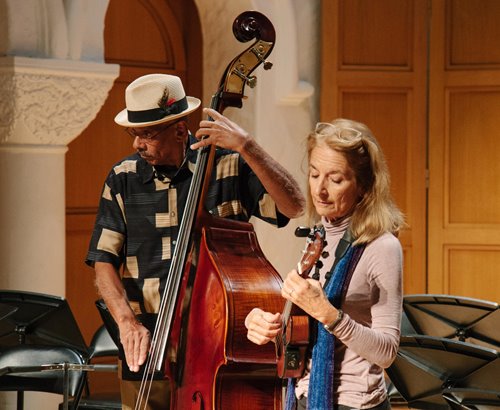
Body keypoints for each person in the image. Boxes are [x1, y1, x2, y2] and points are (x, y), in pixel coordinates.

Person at [85, 73, 305, 409]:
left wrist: (248, 146)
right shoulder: (122, 179)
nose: (136, 144)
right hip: (147, 349)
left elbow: (293, 206)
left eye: (146, 134)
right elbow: (103, 261)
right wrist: (127, 323)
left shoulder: (228, 166)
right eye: (133, 133)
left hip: (214, 345)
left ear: (178, 128)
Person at [245, 118, 405, 410]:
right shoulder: (320, 233)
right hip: (304, 396)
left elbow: (386, 352)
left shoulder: (382, 247)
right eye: (315, 174)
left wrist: (327, 313)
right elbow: (307, 328)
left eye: (335, 179)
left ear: (364, 186)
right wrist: (265, 324)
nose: (319, 191)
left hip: (354, 404)